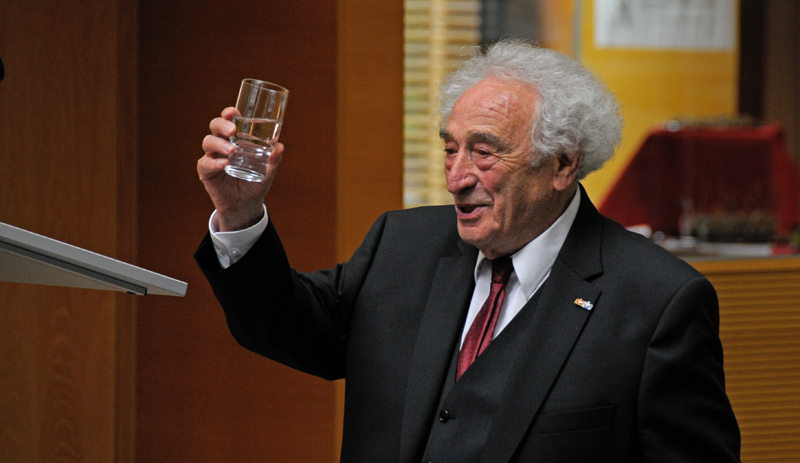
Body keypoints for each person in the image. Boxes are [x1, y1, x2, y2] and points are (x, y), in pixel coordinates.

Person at [195, 40, 740, 462]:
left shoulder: (657, 301)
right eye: (450, 149)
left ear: (563, 163)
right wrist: (239, 213)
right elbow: (288, 325)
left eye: (484, 153)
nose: (456, 178)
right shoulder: (401, 245)